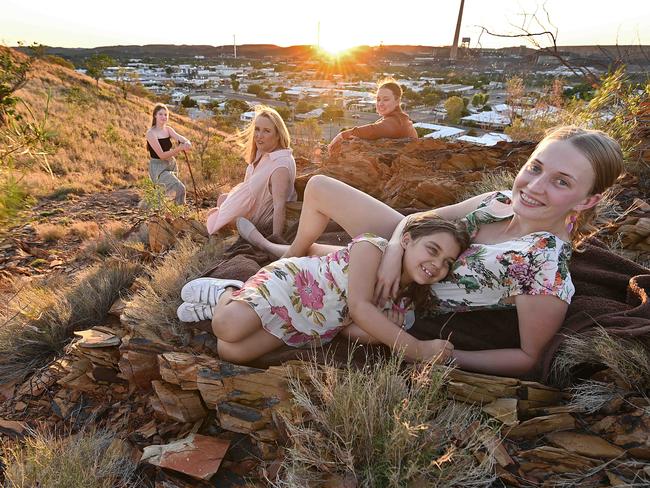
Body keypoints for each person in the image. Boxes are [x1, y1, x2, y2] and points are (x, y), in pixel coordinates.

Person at [236, 126, 625, 377]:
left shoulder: (541, 261)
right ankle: (282, 251)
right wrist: (391, 252)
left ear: (588, 200)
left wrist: (437, 356)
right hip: (406, 257)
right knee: (320, 186)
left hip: (414, 291)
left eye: (561, 182)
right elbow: (419, 218)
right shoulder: (499, 201)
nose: (535, 186)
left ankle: (276, 249)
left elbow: (529, 357)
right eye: (535, 167)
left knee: (249, 341)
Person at [177, 214, 470, 364]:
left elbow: (351, 330)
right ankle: (228, 290)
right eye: (432, 249)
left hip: (306, 325)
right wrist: (416, 348)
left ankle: (229, 304)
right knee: (227, 327)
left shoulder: (403, 307)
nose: (436, 264)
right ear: (406, 240)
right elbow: (358, 307)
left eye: (446, 263)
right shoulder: (372, 248)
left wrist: (376, 330)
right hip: (291, 285)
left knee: (230, 351)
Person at [205, 105, 297, 236]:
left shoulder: (280, 166)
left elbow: (279, 206)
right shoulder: (263, 152)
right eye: (257, 129)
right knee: (222, 199)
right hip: (250, 208)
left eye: (266, 131)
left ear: (278, 135)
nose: (259, 136)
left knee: (213, 214)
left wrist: (276, 238)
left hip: (258, 220)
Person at [327, 78, 418, 155]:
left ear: (397, 101)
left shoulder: (396, 121)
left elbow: (373, 130)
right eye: (378, 99)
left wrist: (340, 136)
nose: (380, 104)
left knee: (316, 177)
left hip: (394, 172)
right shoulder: (400, 118)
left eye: (386, 99)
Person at [146, 103, 192, 205]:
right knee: (180, 188)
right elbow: (161, 155)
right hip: (158, 168)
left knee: (165, 194)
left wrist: (187, 143)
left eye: (166, 114)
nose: (164, 117)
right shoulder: (151, 133)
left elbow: (181, 138)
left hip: (171, 165)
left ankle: (167, 215)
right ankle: (180, 213)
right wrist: (179, 148)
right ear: (155, 116)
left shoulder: (168, 129)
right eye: (161, 114)